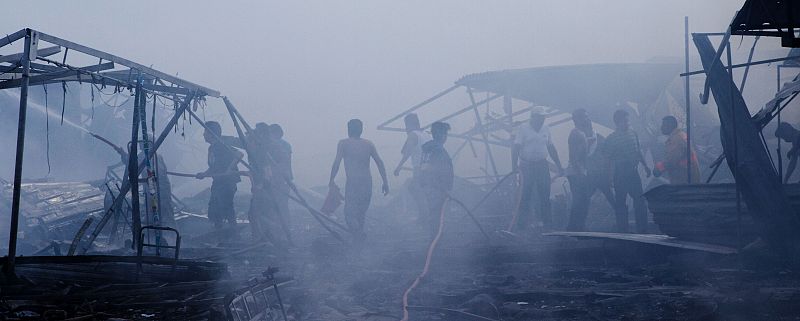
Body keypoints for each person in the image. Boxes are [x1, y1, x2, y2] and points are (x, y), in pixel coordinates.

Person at [329, 119, 389, 241]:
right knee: (361, 213)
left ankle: (358, 235)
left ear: (349, 130)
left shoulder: (343, 143)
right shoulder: (368, 144)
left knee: (349, 214)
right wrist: (385, 182)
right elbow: (380, 163)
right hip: (367, 182)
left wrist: (331, 180)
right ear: (361, 130)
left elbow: (336, 163)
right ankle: (359, 238)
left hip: (353, 183)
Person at [512, 107, 564, 231]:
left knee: (545, 195)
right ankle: (521, 226)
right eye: (540, 117)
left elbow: (551, 147)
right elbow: (516, 147)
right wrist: (514, 166)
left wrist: (559, 165)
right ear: (533, 117)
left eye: (543, 117)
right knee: (525, 196)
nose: (542, 119)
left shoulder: (546, 128)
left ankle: (547, 225)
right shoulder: (523, 128)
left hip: (542, 165)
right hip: (527, 166)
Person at [565, 109, 615, 231]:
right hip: (577, 173)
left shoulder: (587, 134)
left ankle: (578, 227)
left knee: (583, 201)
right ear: (577, 119)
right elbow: (574, 157)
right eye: (584, 117)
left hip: (582, 173)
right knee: (579, 201)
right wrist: (580, 172)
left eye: (587, 117)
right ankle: (574, 228)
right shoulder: (575, 134)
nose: (587, 119)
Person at [602, 109, 651, 233]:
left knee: (639, 200)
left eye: (628, 120)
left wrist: (645, 166)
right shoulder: (611, 139)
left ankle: (643, 229)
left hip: (633, 172)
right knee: (621, 202)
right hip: (620, 173)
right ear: (618, 122)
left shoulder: (633, 133)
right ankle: (623, 229)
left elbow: (638, 151)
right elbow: (607, 160)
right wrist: (609, 178)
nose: (628, 122)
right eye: (625, 120)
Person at [196, 121, 243, 230]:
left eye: (205, 132)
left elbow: (239, 154)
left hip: (228, 182)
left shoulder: (221, 144)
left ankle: (233, 232)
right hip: (218, 181)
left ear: (211, 133)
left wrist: (229, 169)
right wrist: (204, 174)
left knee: (225, 206)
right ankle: (219, 230)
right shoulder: (212, 148)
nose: (203, 135)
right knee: (214, 208)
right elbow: (214, 167)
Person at [393, 113, 431, 223]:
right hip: (429, 167)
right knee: (423, 191)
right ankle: (426, 214)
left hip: (419, 168)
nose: (406, 128)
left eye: (406, 125)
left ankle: (424, 215)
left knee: (414, 188)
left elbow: (406, 152)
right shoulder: (426, 134)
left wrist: (398, 167)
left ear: (410, 124)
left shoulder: (413, 135)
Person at [419, 121, 454, 237]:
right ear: (442, 135)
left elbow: (424, 168)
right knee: (437, 216)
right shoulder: (438, 150)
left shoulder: (427, 149)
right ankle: (436, 240)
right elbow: (440, 171)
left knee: (434, 214)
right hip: (436, 188)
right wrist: (445, 188)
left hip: (428, 187)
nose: (446, 137)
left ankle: (434, 238)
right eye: (445, 134)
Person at [653, 116, 700, 184]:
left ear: (669, 126)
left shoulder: (675, 139)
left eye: (663, 125)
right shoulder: (680, 135)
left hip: (684, 179)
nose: (661, 128)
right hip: (689, 177)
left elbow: (671, 160)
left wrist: (658, 168)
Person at [269, 123, 294, 245]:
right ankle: (281, 233)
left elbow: (285, 163)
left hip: (280, 180)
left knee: (280, 207)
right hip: (282, 179)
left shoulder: (281, 145)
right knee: (279, 207)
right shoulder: (284, 145)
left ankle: (283, 234)